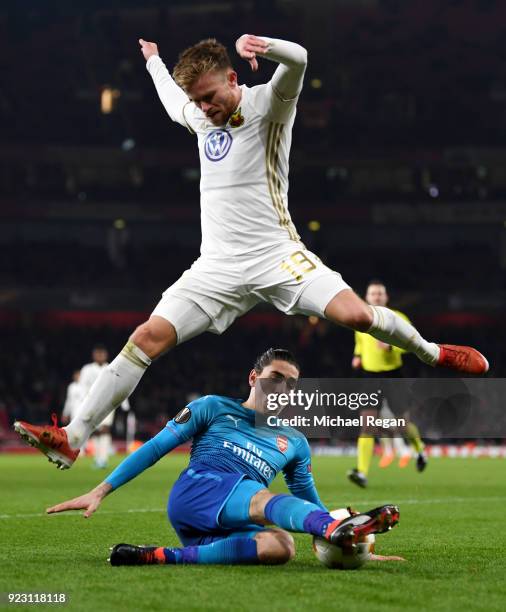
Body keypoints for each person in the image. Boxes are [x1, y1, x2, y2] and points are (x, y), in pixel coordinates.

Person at [14, 34, 488, 470]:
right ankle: (73, 436)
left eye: (211, 96)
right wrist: (155, 61)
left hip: (276, 254)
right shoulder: (200, 116)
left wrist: (264, 44)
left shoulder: (270, 104)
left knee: (360, 317)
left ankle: (431, 351)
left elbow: (299, 59)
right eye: (198, 100)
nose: (204, 108)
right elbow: (173, 102)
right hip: (215, 266)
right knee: (145, 338)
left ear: (234, 78)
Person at [46, 349, 400, 566]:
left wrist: (356, 548)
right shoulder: (213, 408)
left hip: (224, 523)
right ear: (253, 378)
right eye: (275, 377)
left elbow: (309, 502)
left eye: (291, 384)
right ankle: (335, 529)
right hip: (197, 492)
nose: (283, 388)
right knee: (263, 498)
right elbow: (154, 448)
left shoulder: (294, 441)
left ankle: (158, 556)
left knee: (281, 546)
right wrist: (101, 490)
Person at [348, 281, 428, 488]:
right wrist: (357, 355)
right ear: (367, 297)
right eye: (373, 293)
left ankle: (419, 449)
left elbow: (412, 344)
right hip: (369, 376)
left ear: (386, 297)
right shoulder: (362, 318)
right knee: (367, 424)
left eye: (380, 294)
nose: (376, 297)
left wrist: (391, 348)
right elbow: (360, 343)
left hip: (393, 375)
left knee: (403, 423)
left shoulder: (399, 318)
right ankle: (362, 472)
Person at [78, 345, 130, 469]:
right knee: (95, 431)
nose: (100, 356)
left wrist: (125, 403)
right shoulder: (87, 369)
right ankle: (97, 458)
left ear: (106, 355)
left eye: (102, 354)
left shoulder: (112, 367)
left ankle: (103, 459)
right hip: (91, 403)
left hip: (107, 403)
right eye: (98, 353)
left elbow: (119, 386)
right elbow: (82, 387)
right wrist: (83, 404)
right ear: (94, 355)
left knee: (105, 429)